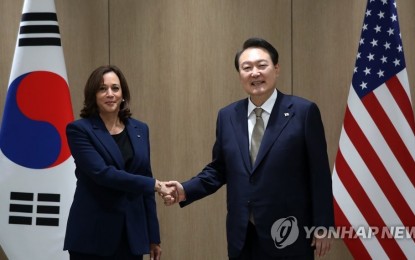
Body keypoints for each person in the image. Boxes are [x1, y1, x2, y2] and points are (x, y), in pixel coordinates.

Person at [162, 38, 334, 259]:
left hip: (288, 232)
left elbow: (319, 174)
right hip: (242, 234)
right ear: (240, 75)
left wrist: (323, 225)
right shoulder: (227, 116)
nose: (255, 73)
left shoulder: (303, 112)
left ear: (276, 69)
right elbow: (219, 168)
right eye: (247, 68)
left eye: (262, 65)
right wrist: (186, 189)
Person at [64, 65, 169, 260]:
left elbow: (145, 178)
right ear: (93, 95)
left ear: (123, 94)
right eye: (102, 89)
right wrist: (154, 185)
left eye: (115, 88)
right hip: (92, 236)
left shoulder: (140, 129)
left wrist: (153, 237)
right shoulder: (79, 130)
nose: (110, 94)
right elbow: (103, 174)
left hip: (131, 236)